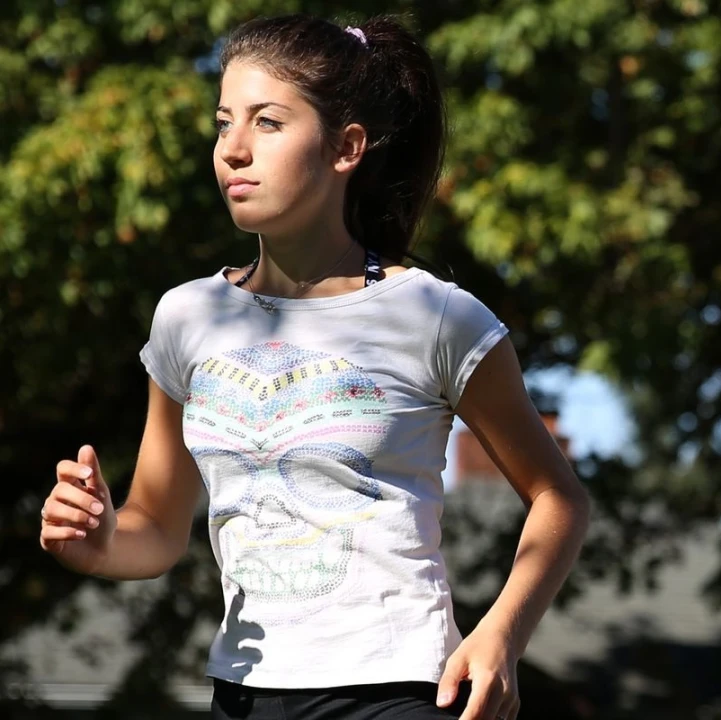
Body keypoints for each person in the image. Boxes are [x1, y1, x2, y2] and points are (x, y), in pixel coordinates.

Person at [38, 12, 591, 720]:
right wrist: (100, 542)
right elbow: (157, 526)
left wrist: (501, 633)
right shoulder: (187, 317)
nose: (234, 149)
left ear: (346, 147)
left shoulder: (435, 315)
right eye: (223, 123)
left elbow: (559, 497)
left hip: (398, 691)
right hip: (241, 694)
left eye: (267, 122)